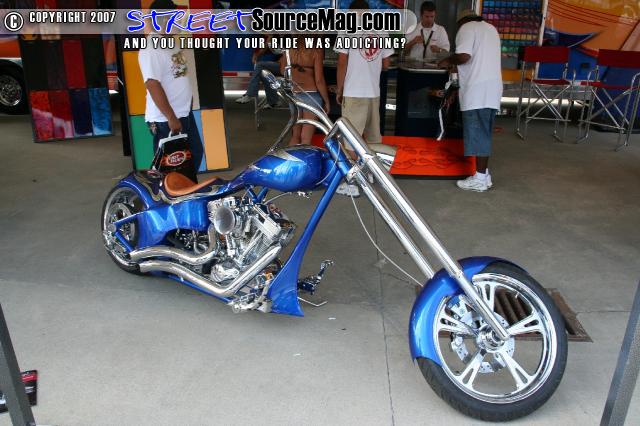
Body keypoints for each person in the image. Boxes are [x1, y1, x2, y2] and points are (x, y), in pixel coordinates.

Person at [437, 9, 502, 192]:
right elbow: (478, 59)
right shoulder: (490, 29)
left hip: (477, 90)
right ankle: (485, 176)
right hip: (492, 89)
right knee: (484, 133)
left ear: (461, 22)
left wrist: (447, 61)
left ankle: (479, 179)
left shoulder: (466, 28)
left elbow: (464, 56)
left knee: (479, 135)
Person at [335, 0, 394, 196]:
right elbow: (386, 64)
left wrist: (339, 89)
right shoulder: (381, 30)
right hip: (373, 92)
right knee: (372, 137)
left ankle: (352, 183)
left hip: (354, 92)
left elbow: (342, 62)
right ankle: (371, 174)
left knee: (350, 140)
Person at [138, 0, 201, 176]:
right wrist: (171, 118)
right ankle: (165, 192)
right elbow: (152, 84)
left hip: (183, 114)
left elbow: (179, 77)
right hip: (166, 120)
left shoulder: (170, 43)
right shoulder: (152, 49)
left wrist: (187, 105)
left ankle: (182, 190)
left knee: (194, 155)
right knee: (170, 168)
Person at [282, 36, 330, 146]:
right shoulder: (316, 49)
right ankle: (304, 157)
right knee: (306, 138)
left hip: (294, 94)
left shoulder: (289, 48)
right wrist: (326, 100)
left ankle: (292, 156)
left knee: (295, 135)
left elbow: (282, 70)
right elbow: (319, 80)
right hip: (311, 96)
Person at [235, 35, 282, 108]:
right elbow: (267, 50)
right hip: (280, 65)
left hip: (288, 67)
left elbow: (277, 51)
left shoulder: (286, 37)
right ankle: (274, 101)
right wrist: (257, 54)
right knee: (263, 74)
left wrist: (269, 39)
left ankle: (250, 94)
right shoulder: (272, 38)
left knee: (260, 65)